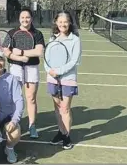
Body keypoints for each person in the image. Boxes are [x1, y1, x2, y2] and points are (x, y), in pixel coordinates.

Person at [2, 8, 45, 139]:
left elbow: (39, 52)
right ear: (19, 18)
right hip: (15, 68)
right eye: (22, 17)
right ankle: (12, 123)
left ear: (31, 18)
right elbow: (6, 51)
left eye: (27, 17)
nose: (25, 20)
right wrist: (19, 58)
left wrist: (20, 52)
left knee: (31, 98)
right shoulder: (11, 32)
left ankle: (32, 126)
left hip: (31, 68)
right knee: (13, 98)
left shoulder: (37, 33)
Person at [44, 11, 82, 150]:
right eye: (60, 22)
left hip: (68, 79)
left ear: (70, 23)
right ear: (56, 23)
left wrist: (59, 71)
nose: (62, 24)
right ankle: (60, 132)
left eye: (65, 22)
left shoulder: (75, 39)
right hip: (52, 78)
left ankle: (66, 135)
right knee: (57, 108)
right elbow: (46, 57)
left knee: (65, 108)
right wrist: (49, 70)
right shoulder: (52, 38)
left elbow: (74, 61)